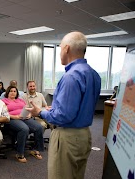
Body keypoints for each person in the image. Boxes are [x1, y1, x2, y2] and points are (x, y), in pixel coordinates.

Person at [27, 31, 101, 179]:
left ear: (66, 49)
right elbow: (79, 107)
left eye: (60, 48)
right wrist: (53, 109)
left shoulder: (70, 76)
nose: (60, 52)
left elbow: (62, 116)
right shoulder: (93, 74)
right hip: (84, 135)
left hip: (67, 137)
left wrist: (40, 112)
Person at [1, 86, 44, 163]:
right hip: (12, 119)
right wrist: (15, 116)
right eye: (11, 91)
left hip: (24, 117)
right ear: (7, 92)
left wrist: (29, 114)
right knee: (24, 129)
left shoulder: (21, 100)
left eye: (15, 91)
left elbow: (27, 109)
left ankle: (36, 150)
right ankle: (20, 153)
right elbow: (2, 114)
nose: (13, 93)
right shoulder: (3, 101)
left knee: (39, 127)